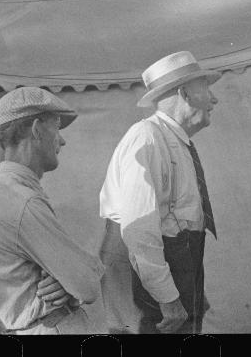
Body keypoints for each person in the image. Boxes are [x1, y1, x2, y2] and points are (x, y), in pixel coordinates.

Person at [99, 51, 220, 334]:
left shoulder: (174, 140)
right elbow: (139, 230)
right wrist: (167, 297)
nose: (214, 99)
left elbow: (177, 217)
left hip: (169, 265)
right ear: (184, 94)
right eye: (206, 88)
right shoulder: (148, 139)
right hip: (141, 271)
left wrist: (191, 288)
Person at [0, 87, 105, 334]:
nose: (62, 140)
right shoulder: (23, 202)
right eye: (57, 127)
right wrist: (75, 279)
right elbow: (88, 286)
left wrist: (68, 281)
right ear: (36, 129)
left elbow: (77, 281)